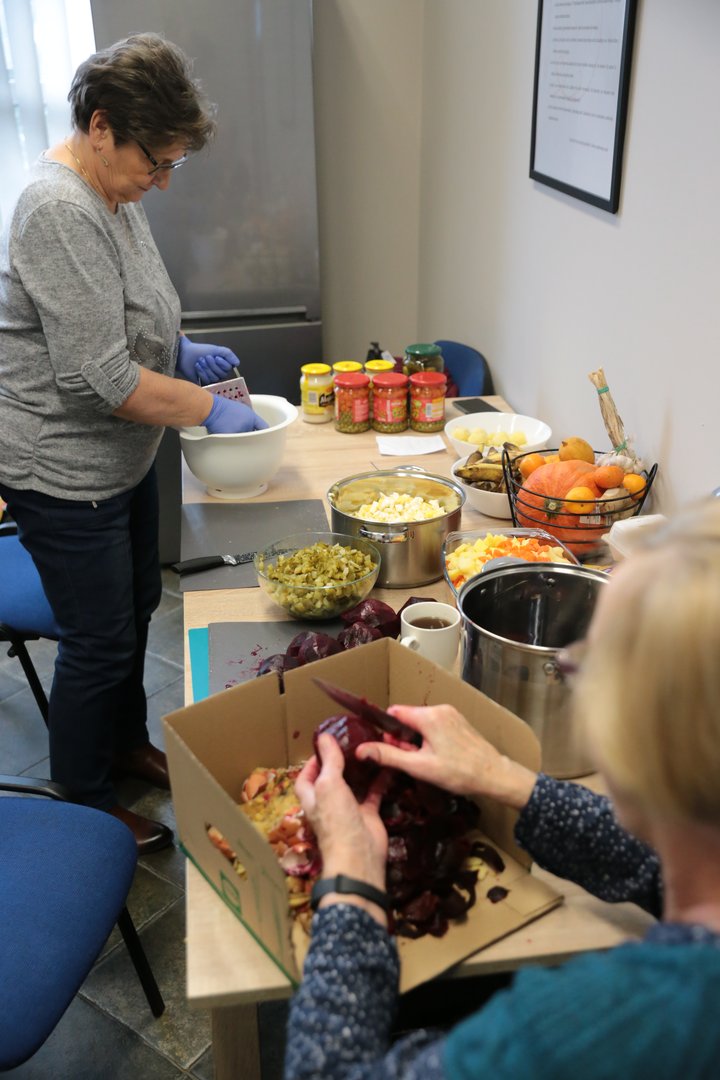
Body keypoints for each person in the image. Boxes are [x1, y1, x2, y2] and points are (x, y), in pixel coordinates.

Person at [285, 498, 720, 1078]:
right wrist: (510, 781)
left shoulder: (604, 1026)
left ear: (641, 736)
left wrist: (350, 887)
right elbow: (662, 870)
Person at [0, 33, 268, 853]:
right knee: (101, 636)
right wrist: (201, 404)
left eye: (171, 166)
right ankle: (80, 798)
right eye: (156, 161)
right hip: (62, 466)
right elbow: (102, 379)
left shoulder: (115, 195)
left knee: (138, 605)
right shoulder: (58, 208)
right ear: (102, 126)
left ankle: (123, 746)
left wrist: (179, 350)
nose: (160, 181)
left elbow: (130, 313)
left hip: (122, 458)